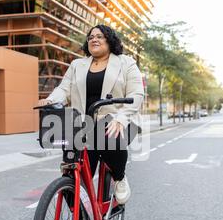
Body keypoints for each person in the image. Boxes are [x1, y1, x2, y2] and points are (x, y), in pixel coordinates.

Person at [38, 25, 144, 205]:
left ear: (110, 40)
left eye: (100, 36)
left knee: (109, 138)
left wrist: (121, 118)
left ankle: (119, 177)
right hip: (84, 123)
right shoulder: (77, 65)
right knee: (72, 167)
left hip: (117, 119)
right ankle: (78, 216)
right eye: (91, 37)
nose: (94, 39)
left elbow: (136, 95)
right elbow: (64, 89)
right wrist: (50, 101)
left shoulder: (126, 63)